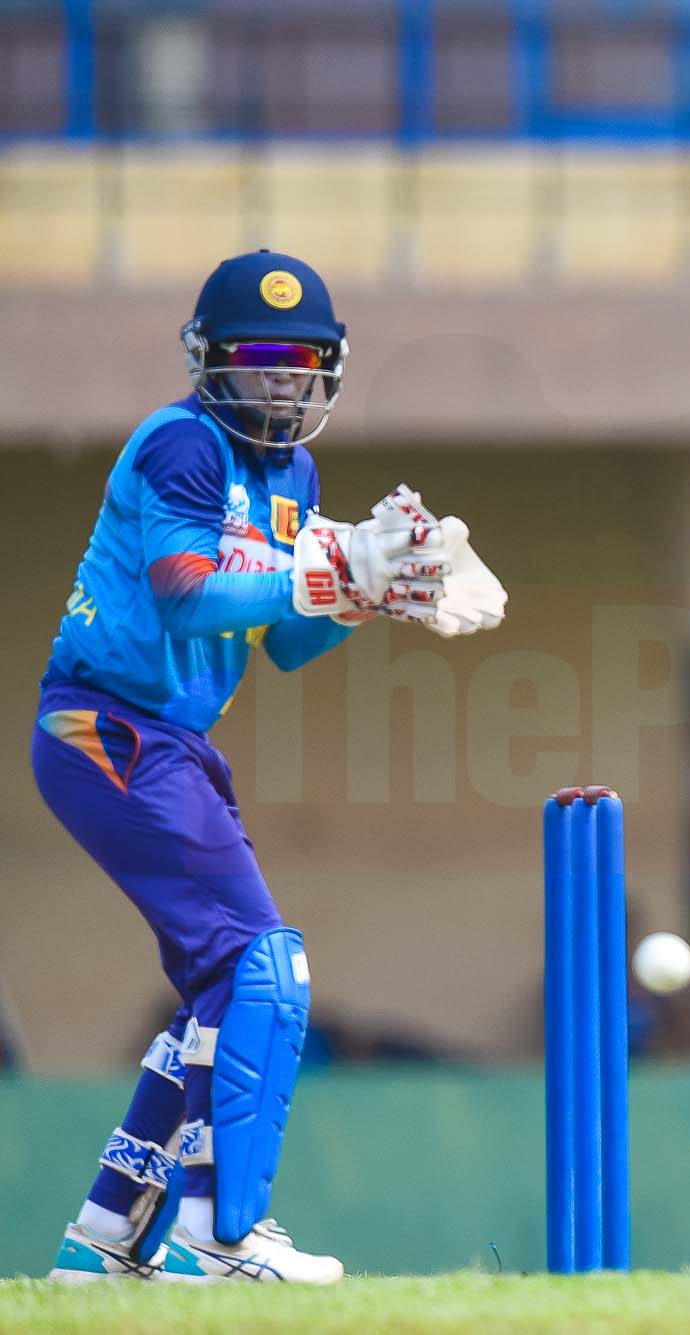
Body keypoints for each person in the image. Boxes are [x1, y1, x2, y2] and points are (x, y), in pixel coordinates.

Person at [35, 250, 505, 1284]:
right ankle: (218, 1234)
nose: (280, 382)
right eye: (258, 361)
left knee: (222, 989)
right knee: (265, 967)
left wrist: (375, 591)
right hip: (105, 729)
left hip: (171, 746)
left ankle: (105, 1238)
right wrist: (336, 567)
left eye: (301, 363)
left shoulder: (295, 476)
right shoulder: (181, 445)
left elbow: (288, 643)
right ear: (210, 364)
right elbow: (187, 593)